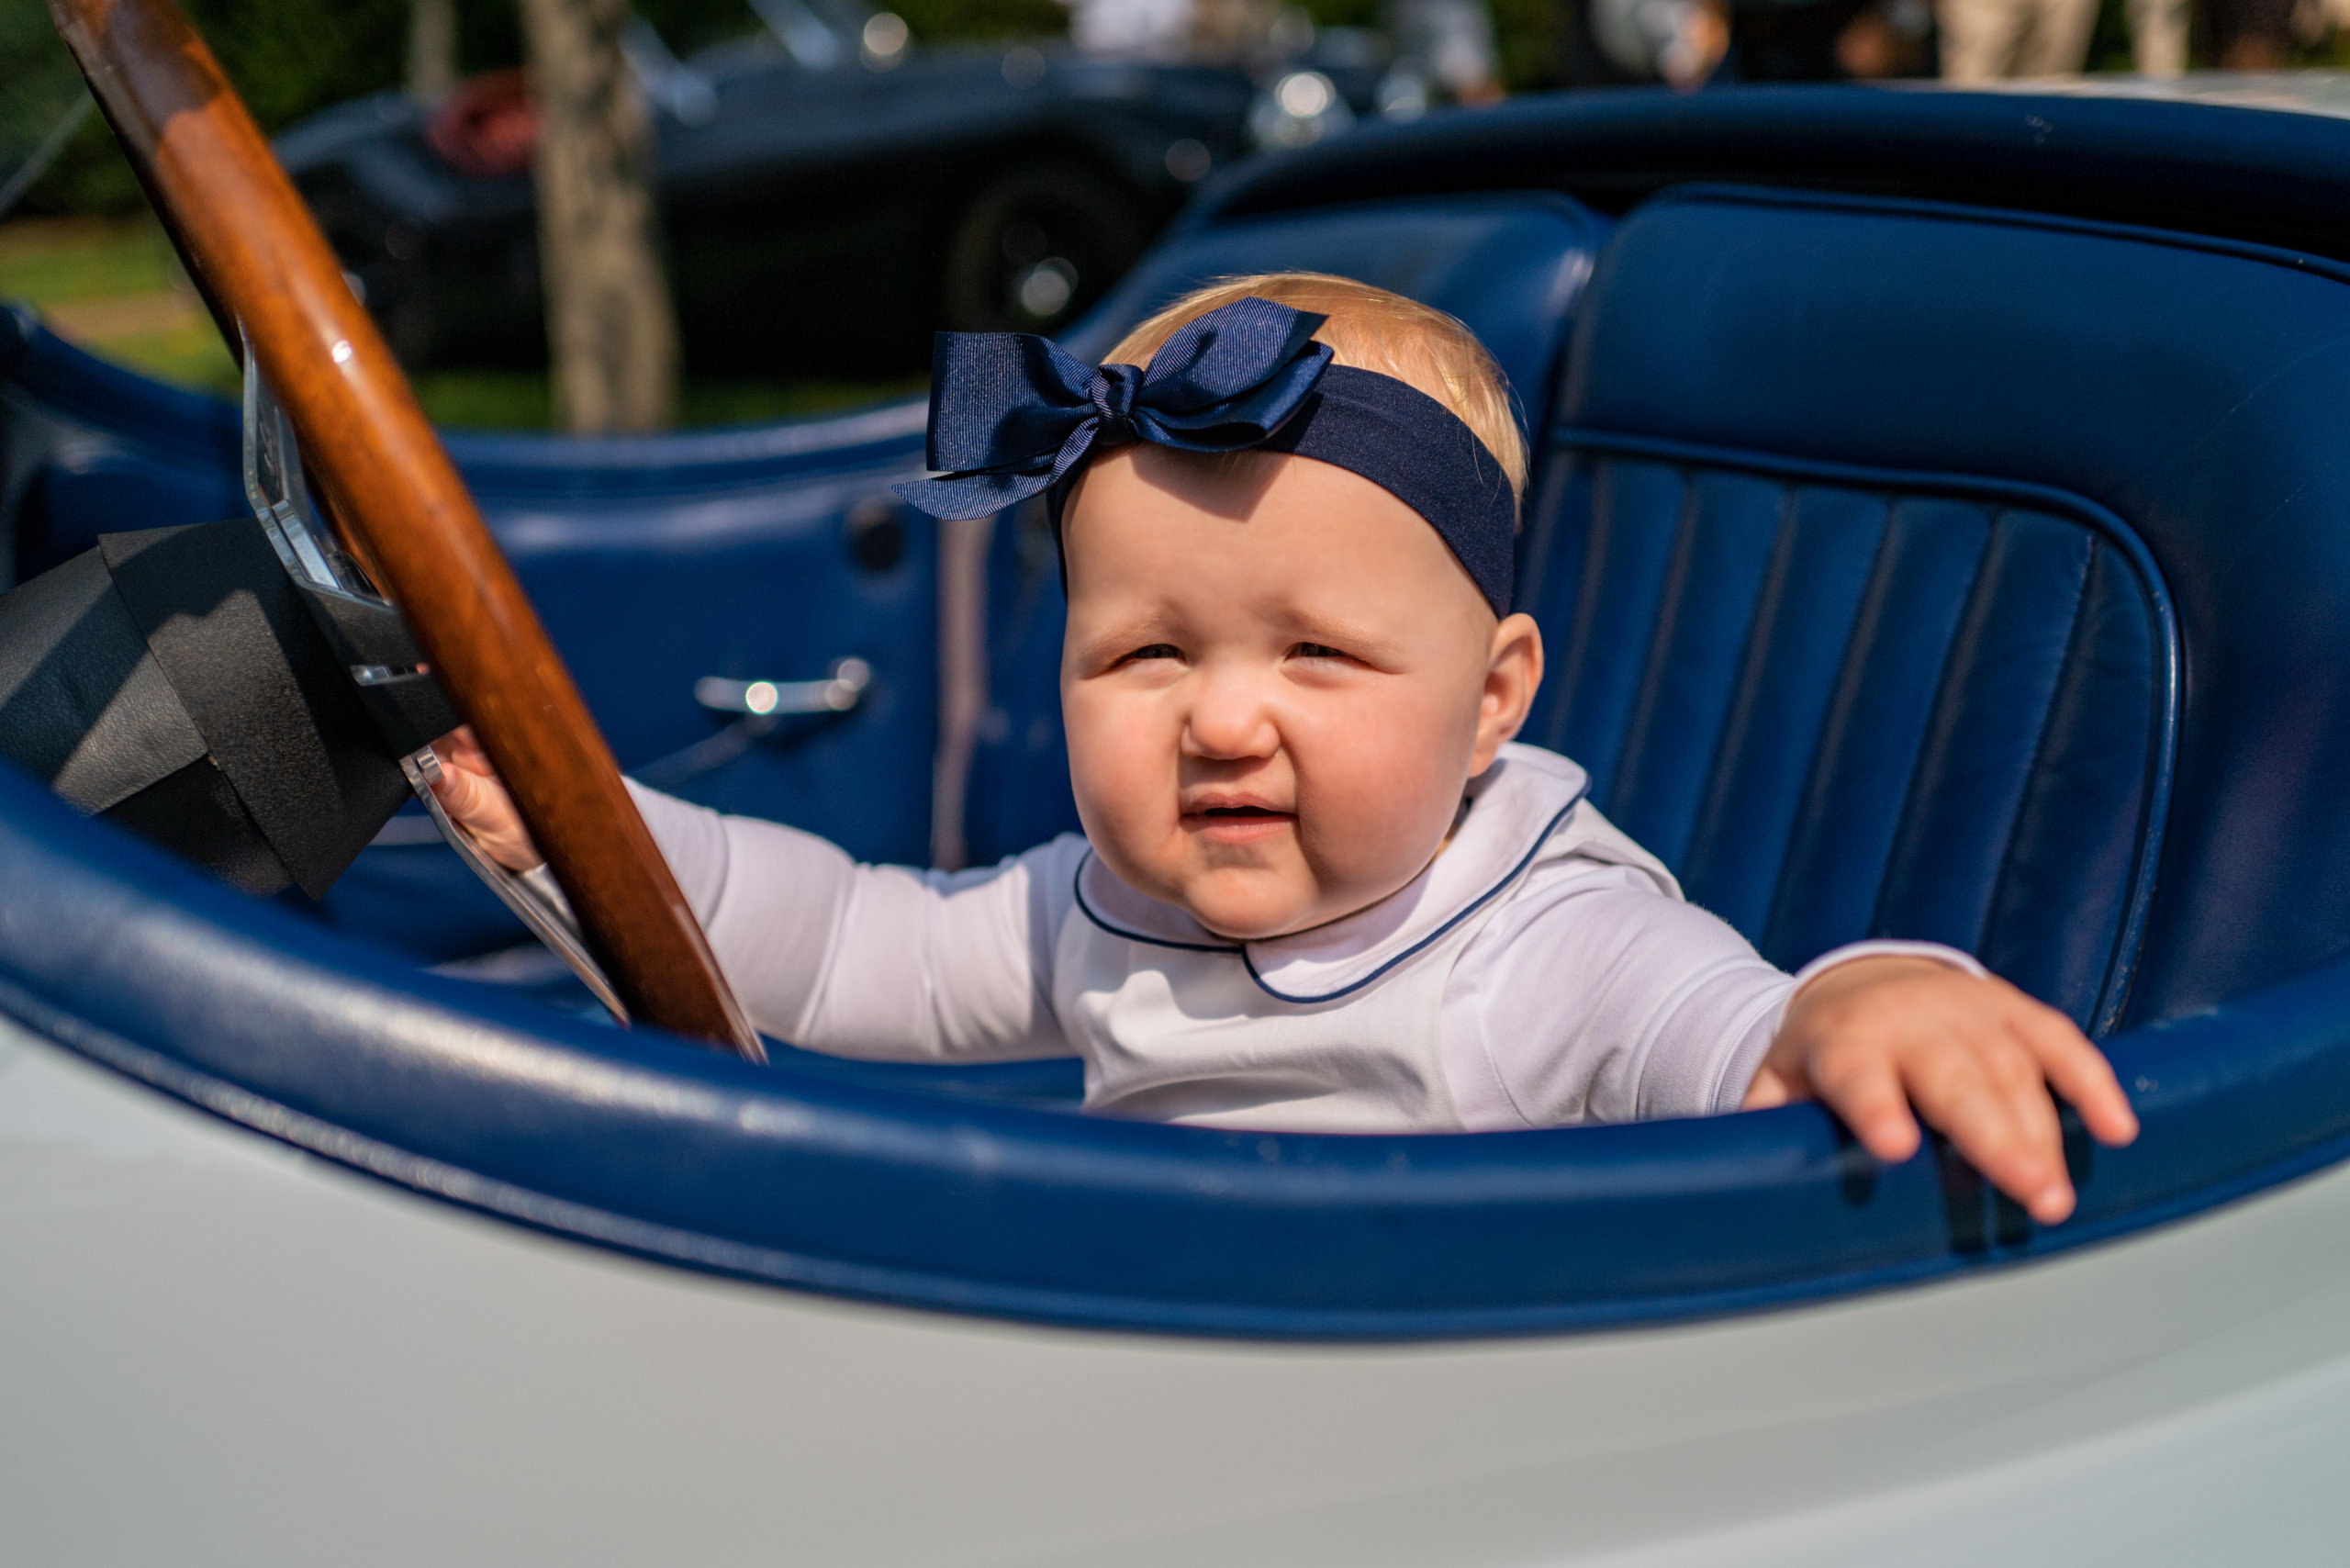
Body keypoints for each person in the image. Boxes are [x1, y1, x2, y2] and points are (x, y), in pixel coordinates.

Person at [433, 274, 2139, 1224]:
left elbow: (1726, 1031)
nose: (1225, 719)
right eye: (1147, 652)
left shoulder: (1529, 942)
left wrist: (1876, 993)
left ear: (1492, 697)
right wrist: (584, 827)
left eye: (1318, 654)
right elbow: (862, 943)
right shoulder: (1113, 902)